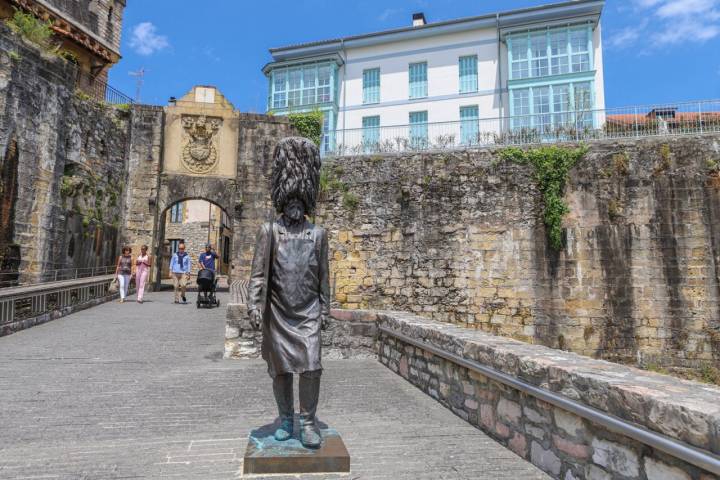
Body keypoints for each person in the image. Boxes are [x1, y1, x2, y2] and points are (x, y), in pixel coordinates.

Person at [248, 137, 329, 449]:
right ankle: (285, 419)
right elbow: (258, 275)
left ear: (306, 202)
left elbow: (324, 278)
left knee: (312, 366)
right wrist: (255, 307)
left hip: (308, 312)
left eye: (300, 203)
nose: (295, 209)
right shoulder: (269, 232)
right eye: (290, 203)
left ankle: (308, 422)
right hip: (278, 313)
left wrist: (326, 308)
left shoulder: (318, 235)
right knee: (281, 370)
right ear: (283, 201)